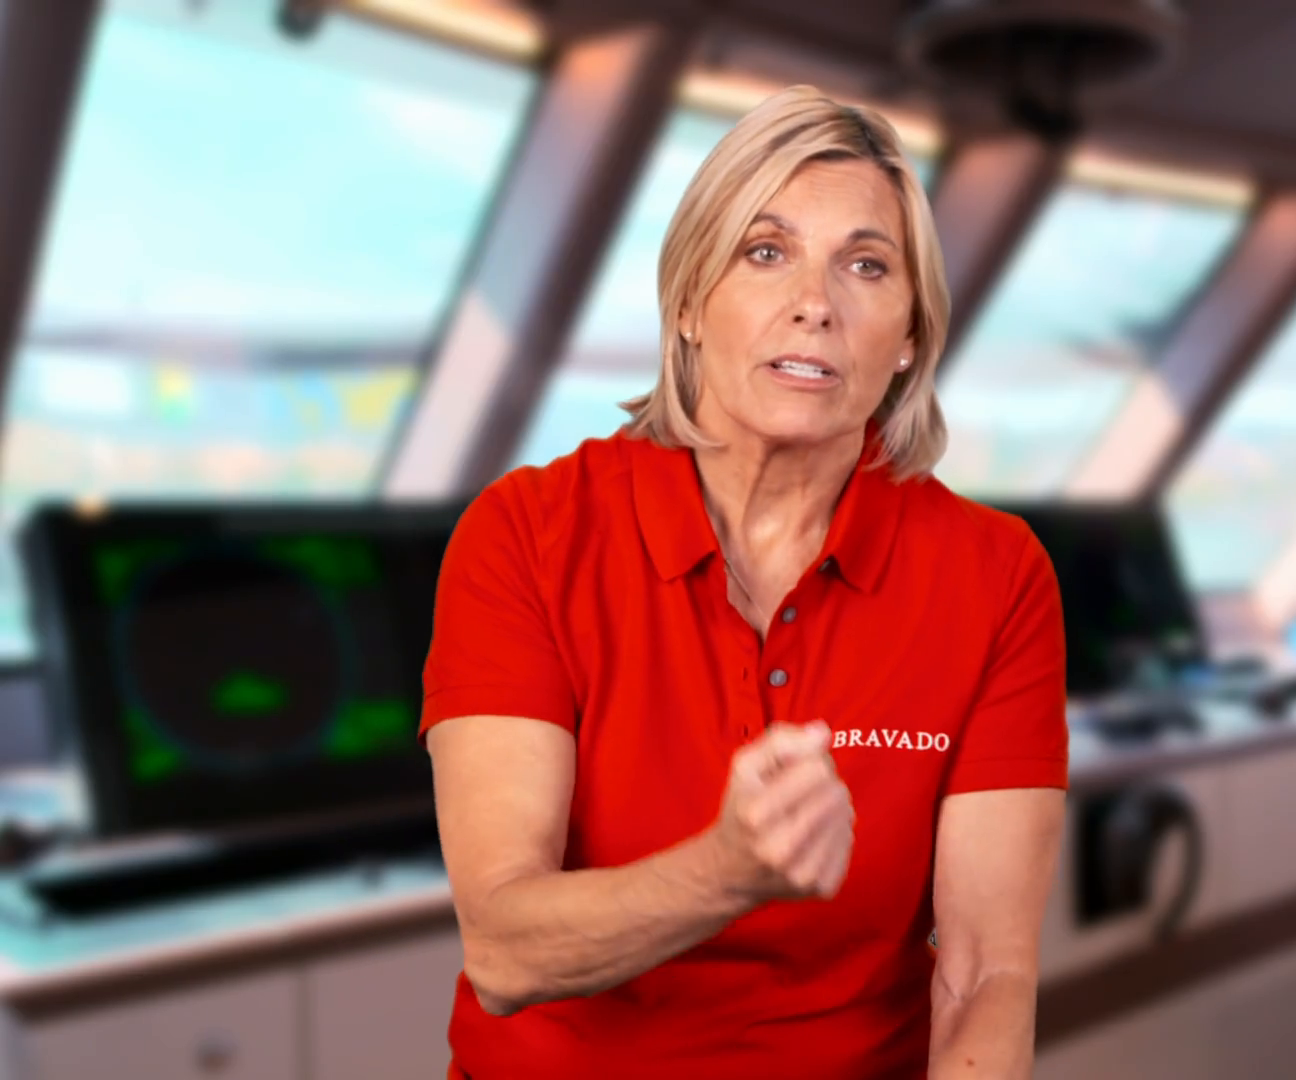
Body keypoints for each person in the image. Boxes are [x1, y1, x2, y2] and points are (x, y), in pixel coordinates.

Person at [420, 84, 1068, 1078]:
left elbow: (985, 972)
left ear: (908, 336)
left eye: (866, 265)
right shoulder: (527, 533)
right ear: (688, 302)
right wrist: (727, 872)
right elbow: (505, 950)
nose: (816, 301)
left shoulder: (995, 573)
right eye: (766, 252)